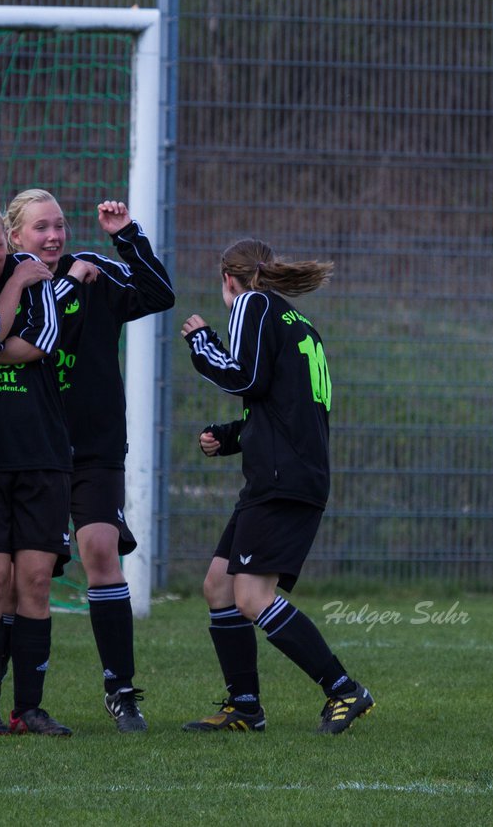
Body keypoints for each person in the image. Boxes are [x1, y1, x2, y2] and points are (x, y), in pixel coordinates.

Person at [179, 238, 374, 734]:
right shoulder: (295, 321)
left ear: (229, 279)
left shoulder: (253, 303)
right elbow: (280, 405)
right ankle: (245, 707)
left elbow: (242, 377)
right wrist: (229, 437)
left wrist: (202, 341)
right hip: (286, 474)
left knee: (250, 596)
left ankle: (343, 688)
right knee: (219, 587)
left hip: (282, 480)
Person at [5, 189, 174, 732]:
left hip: (95, 445)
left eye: (58, 225)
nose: (53, 236)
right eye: (39, 228)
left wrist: (124, 237)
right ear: (15, 237)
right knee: (18, 574)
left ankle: (121, 691)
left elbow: (160, 293)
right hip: (29, 447)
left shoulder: (95, 267)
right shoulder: (7, 283)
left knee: (100, 549)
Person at [0, 198, 88, 736]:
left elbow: (35, 346)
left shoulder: (40, 282)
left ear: (10, 241)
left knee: (34, 580)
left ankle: (28, 708)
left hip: (41, 456)